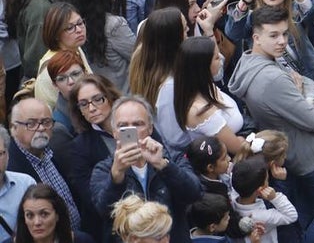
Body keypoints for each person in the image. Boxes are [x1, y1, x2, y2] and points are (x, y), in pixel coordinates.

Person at [228, 5, 314, 243]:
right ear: (256, 37)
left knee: (308, 212)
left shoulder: (248, 61)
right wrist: (304, 93)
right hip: (310, 156)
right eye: (273, 35)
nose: (282, 41)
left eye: (284, 34)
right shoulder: (273, 78)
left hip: (290, 149)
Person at [90, 96, 201, 243]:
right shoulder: (103, 169)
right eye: (123, 126)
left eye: (138, 124)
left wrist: (163, 165)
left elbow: (193, 194)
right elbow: (105, 214)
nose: (131, 131)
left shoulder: (171, 158)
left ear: (150, 128)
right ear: (115, 132)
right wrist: (116, 176)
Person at [6, 99, 79, 229]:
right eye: (31, 123)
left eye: (46, 122)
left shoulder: (55, 150)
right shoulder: (11, 169)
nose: (40, 128)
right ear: (14, 129)